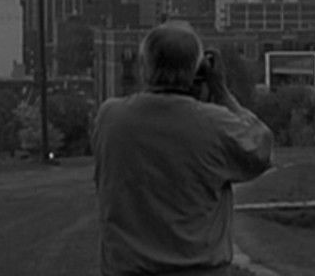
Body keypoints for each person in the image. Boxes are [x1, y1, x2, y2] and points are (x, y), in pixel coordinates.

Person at [93, 20, 274, 275]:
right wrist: (221, 92)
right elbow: (261, 149)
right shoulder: (214, 124)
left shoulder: (110, 118)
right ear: (197, 70)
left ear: (144, 66)